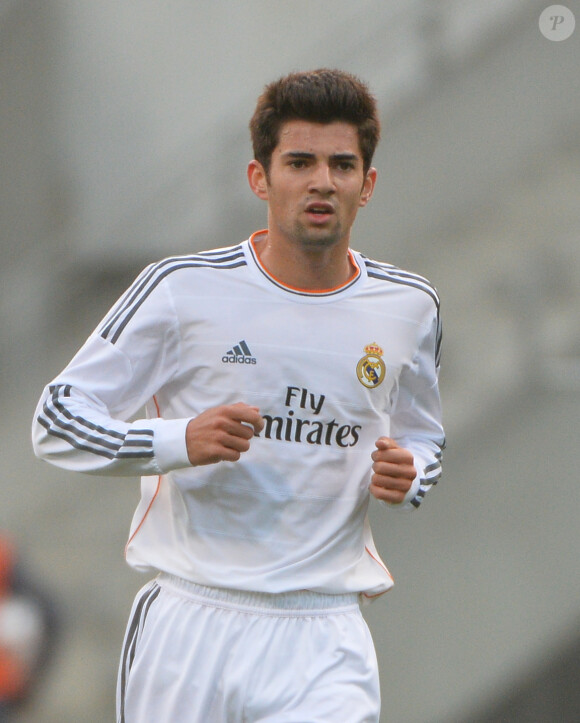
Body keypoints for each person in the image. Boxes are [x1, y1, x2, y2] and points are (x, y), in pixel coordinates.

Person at [32, 68, 444, 723]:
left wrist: (413, 470)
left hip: (324, 633)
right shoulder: (179, 290)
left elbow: (423, 433)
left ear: (366, 186)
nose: (321, 181)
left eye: (341, 165)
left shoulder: (409, 307)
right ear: (261, 178)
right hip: (192, 624)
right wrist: (175, 441)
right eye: (299, 162)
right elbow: (57, 419)